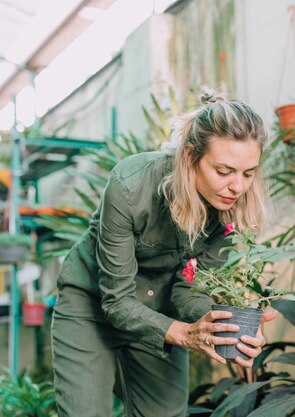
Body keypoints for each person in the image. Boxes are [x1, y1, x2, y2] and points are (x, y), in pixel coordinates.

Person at [51, 89, 277, 417]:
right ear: (189, 157)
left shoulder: (231, 210)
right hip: (91, 306)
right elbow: (116, 301)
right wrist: (185, 334)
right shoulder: (130, 185)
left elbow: (189, 288)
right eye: (224, 171)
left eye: (248, 173)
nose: (238, 187)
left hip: (161, 307)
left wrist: (219, 325)